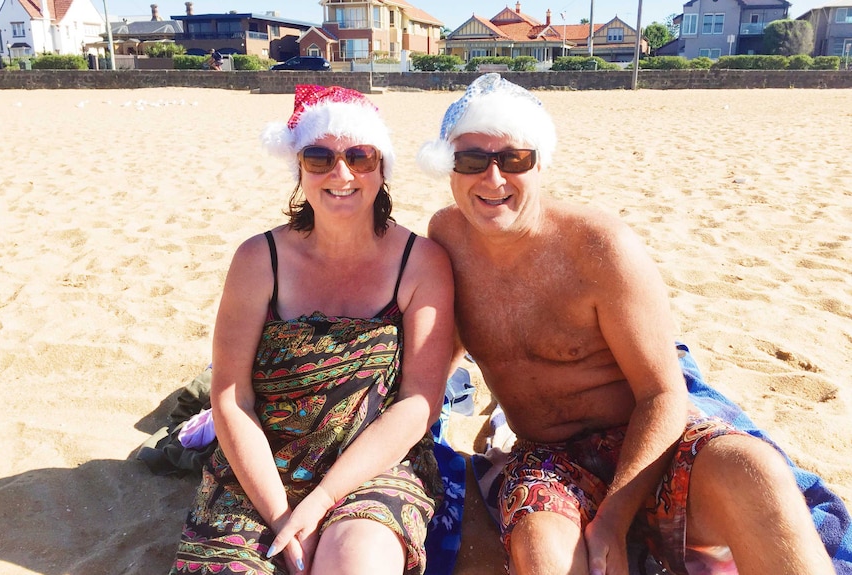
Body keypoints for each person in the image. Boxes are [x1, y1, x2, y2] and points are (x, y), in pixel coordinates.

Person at [418, 73, 836, 575]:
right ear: (448, 169)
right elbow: (438, 360)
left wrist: (614, 517)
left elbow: (663, 394)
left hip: (648, 442)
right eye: (470, 160)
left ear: (539, 162)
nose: (493, 179)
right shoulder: (445, 240)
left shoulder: (598, 247)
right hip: (549, 456)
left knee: (756, 470)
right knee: (542, 552)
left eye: (514, 159)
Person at [169, 84, 454, 575]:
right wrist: (282, 515)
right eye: (319, 157)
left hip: (372, 464)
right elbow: (232, 399)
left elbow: (418, 402)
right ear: (299, 168)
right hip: (260, 465)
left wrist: (323, 498)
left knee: (355, 565)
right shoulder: (259, 260)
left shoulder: (420, 263)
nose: (341, 173)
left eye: (360, 156)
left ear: (382, 168)